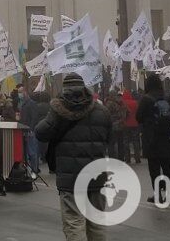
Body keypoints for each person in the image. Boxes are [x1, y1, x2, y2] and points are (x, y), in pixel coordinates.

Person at [35, 72, 112, 241]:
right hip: (96, 175)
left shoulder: (58, 111)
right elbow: (108, 138)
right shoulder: (102, 111)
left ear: (65, 89)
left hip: (71, 180)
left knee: (74, 222)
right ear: (84, 88)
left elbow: (40, 133)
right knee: (97, 223)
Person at [136, 74, 170, 203]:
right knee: (168, 168)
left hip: (151, 138)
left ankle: (157, 194)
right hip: (166, 136)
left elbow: (138, 117)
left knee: (154, 169)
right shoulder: (168, 98)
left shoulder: (146, 99)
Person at [104, 90, 127, 162]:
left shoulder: (109, 103)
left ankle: (112, 159)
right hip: (121, 125)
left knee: (111, 144)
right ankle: (121, 158)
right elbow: (128, 112)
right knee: (121, 143)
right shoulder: (121, 102)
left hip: (112, 126)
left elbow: (106, 114)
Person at [121, 89, 141, 164]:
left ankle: (127, 159)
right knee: (136, 141)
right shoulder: (135, 102)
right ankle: (137, 158)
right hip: (135, 124)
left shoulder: (123, 103)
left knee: (126, 142)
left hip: (125, 124)